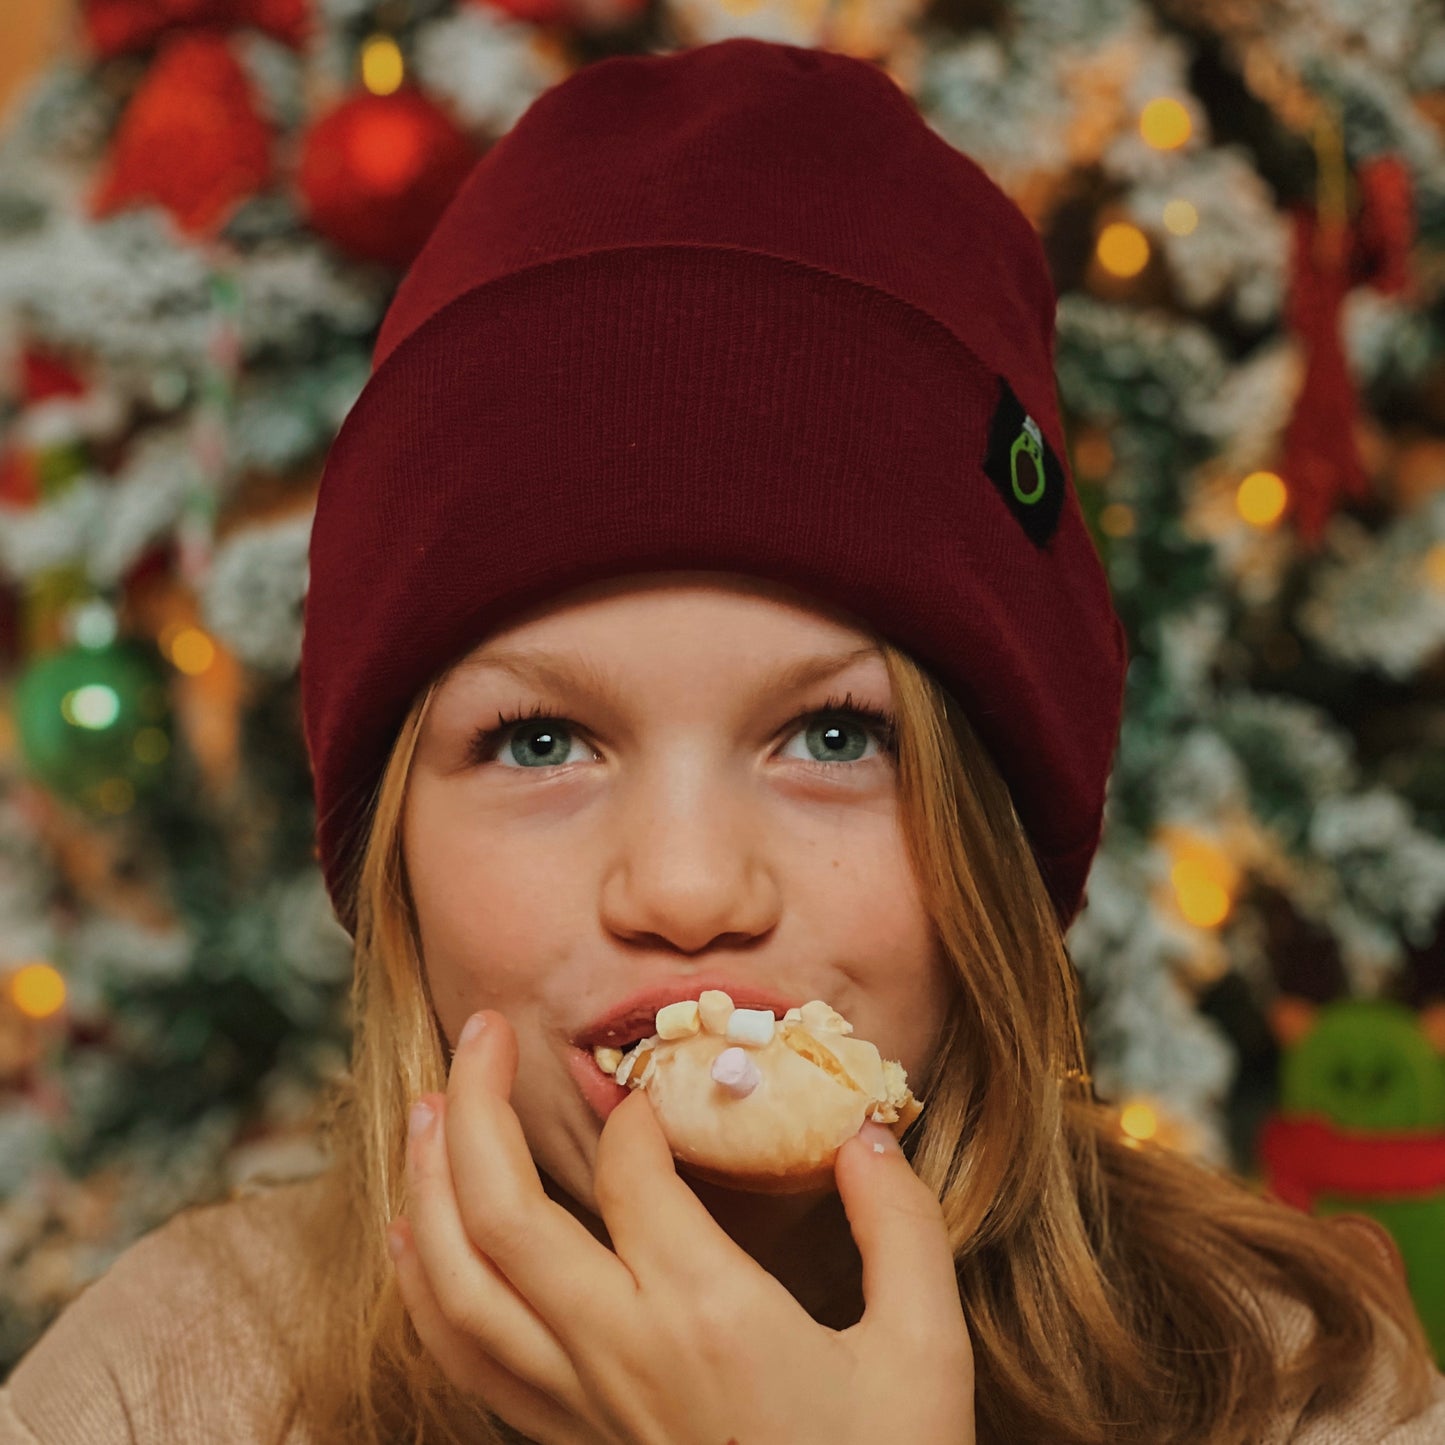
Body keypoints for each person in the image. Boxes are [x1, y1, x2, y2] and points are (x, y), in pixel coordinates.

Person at [3, 34, 1443, 1445]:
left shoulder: (1301, 1391)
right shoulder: (157, 1391)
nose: (687, 891)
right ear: (393, 861)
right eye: (537, 741)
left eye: (832, 732)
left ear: (998, 837)